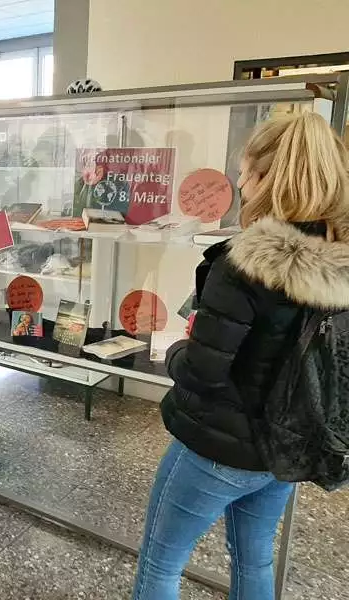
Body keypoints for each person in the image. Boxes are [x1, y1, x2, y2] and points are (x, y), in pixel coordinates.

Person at [132, 111, 349, 600]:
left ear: (270, 178)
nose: (240, 183)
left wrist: (175, 352)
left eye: (246, 172)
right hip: (284, 448)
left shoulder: (243, 263)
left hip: (217, 448)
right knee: (253, 558)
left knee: (160, 565)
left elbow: (204, 374)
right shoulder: (339, 262)